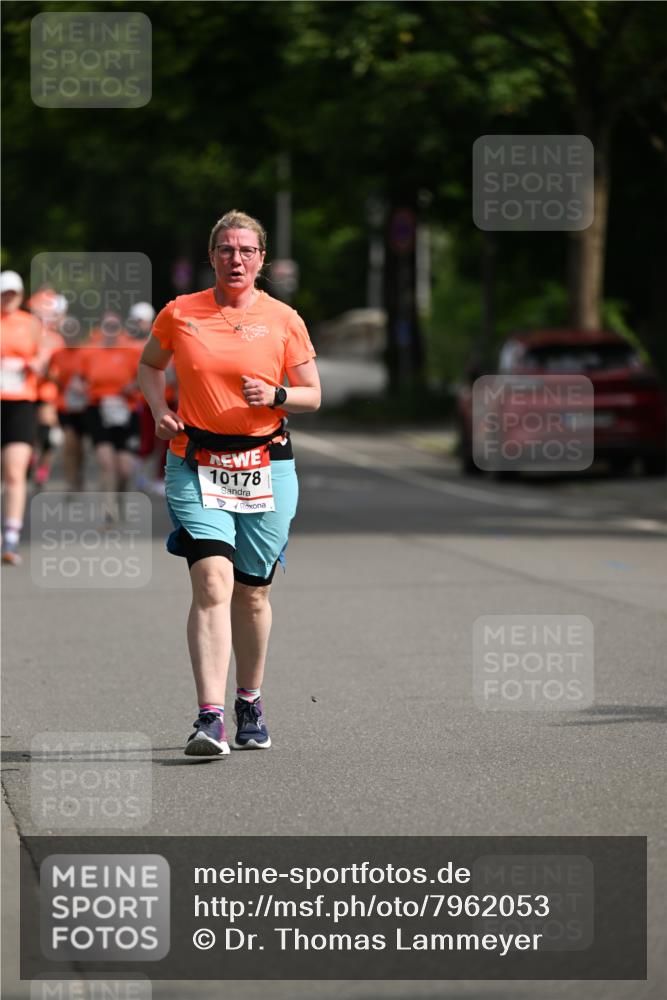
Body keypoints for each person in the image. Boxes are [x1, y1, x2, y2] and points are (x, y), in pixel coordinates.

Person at [138, 209, 320, 756]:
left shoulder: (285, 318)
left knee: (254, 591)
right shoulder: (181, 312)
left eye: (246, 251)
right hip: (195, 461)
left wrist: (279, 396)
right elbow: (150, 366)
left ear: (261, 259)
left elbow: (312, 392)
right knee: (213, 583)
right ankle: (209, 718)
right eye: (225, 250)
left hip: (266, 464)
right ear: (211, 256)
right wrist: (157, 408)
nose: (235, 259)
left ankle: (249, 700)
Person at [1, 271, 46, 564]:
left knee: (15, 473)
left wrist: (31, 364)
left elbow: (44, 359)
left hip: (20, 404)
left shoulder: (31, 324)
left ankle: (11, 538)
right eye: (4, 293)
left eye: (13, 294)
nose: (9, 298)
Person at [79, 311, 143, 517]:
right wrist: (80, 389)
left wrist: (132, 386)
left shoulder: (131, 351)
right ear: (100, 329)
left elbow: (145, 376)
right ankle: (109, 509)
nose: (111, 331)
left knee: (124, 468)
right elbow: (79, 379)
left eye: (115, 326)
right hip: (98, 409)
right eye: (107, 326)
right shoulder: (90, 352)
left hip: (126, 409)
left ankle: (120, 497)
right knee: (107, 463)